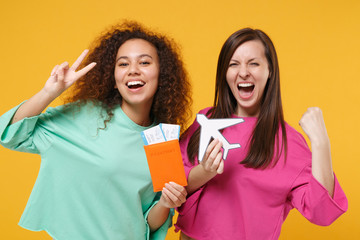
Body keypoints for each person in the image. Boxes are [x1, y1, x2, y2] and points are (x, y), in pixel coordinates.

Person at [0, 21, 192, 240]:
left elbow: (148, 222)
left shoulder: (163, 139)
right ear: (113, 77)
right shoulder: (85, 115)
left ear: (162, 74)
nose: (133, 70)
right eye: (123, 64)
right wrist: (48, 93)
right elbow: (10, 134)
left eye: (145, 62)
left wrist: (166, 203)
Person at [175, 28, 348, 239]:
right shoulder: (206, 120)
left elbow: (322, 212)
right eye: (233, 64)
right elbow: (174, 183)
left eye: (253, 63)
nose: (243, 72)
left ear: (270, 71)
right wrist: (204, 172)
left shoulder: (288, 142)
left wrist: (322, 144)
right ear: (224, 73)